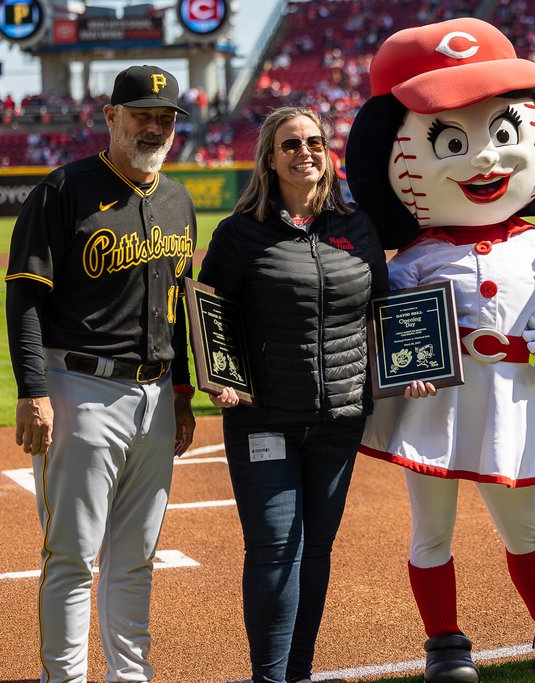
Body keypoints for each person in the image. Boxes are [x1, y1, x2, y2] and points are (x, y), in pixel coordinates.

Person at [348, 18, 535, 683]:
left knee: (524, 526)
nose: (483, 157)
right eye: (453, 141)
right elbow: (384, 318)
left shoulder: (534, 242)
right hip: (435, 405)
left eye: (499, 134)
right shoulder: (413, 258)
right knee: (432, 532)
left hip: (511, 393)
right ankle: (445, 646)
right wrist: (401, 364)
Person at [4, 64, 197, 683]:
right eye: (142, 114)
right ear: (110, 117)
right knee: (72, 554)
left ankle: (129, 676)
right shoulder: (63, 190)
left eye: (165, 118)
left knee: (137, 555)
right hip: (79, 385)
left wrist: (184, 392)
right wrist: (33, 391)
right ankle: (63, 678)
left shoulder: (178, 199)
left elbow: (180, 305)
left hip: (156, 392)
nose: (155, 127)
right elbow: (25, 298)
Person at [197, 106, 388, 683]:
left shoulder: (357, 226)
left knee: (318, 551)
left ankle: (299, 672)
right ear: (269, 159)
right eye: (290, 145)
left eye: (314, 142)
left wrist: (410, 364)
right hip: (265, 419)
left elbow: (381, 308)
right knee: (276, 550)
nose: (304, 152)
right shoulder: (240, 233)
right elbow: (212, 314)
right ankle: (270, 676)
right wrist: (221, 377)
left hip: (340, 417)